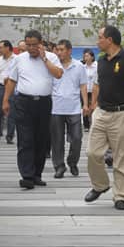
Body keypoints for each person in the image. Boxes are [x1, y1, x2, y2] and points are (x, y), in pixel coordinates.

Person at [84, 25, 124, 210]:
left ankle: (120, 195)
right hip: (102, 112)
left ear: (110, 40)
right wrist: (93, 105)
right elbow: (98, 84)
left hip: (122, 113)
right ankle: (100, 185)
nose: (97, 41)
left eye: (100, 37)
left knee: (120, 157)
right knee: (92, 152)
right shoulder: (101, 60)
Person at [2, 29, 62, 189]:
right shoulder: (19, 59)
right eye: (28, 45)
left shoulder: (51, 57)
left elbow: (58, 74)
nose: (31, 48)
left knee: (41, 140)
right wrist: (5, 100)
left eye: (34, 45)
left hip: (44, 103)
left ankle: (37, 174)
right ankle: (27, 176)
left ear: (41, 44)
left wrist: (44, 59)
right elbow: (12, 80)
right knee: (25, 139)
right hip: (24, 102)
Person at [51, 39, 88, 178]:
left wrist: (85, 104)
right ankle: (59, 166)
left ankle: (72, 162)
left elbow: (83, 85)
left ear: (69, 51)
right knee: (57, 140)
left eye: (62, 50)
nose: (59, 52)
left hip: (74, 107)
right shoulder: (53, 66)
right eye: (57, 50)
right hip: (56, 107)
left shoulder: (79, 66)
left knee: (77, 138)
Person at [0, 40, 16, 143]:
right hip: (0, 86)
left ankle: (10, 136)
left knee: (11, 112)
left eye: (1, 47)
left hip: (12, 87)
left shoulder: (16, 59)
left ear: (8, 48)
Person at [82, 49, 97, 131]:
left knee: (93, 107)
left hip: (93, 90)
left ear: (92, 57)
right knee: (85, 107)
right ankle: (86, 125)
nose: (85, 57)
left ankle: (93, 124)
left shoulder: (96, 66)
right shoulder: (82, 67)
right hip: (85, 90)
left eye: (87, 56)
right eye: (84, 56)